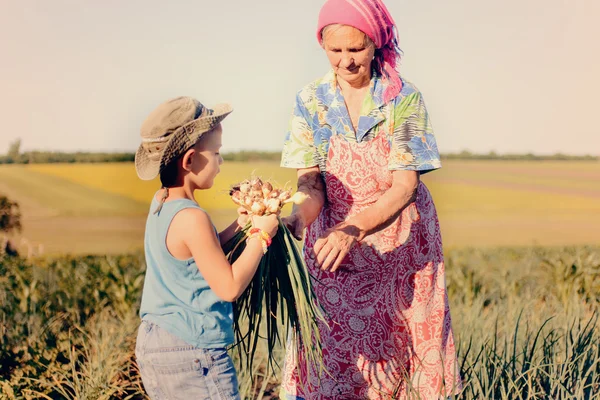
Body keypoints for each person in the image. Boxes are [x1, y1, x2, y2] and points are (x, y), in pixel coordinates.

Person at [280, 0, 461, 398]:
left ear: (375, 44)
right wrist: (298, 220)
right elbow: (311, 184)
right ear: (322, 45)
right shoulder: (310, 100)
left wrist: (354, 228)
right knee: (334, 357)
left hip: (400, 247)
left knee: (404, 351)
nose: (345, 61)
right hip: (333, 249)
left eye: (356, 49)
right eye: (335, 50)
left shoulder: (403, 98)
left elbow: (404, 187)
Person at [133, 96, 279, 399]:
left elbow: (198, 253)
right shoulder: (192, 217)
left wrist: (240, 226)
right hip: (192, 349)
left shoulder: (163, 202)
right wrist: (261, 237)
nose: (220, 162)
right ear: (189, 161)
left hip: (157, 339)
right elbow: (228, 287)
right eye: (215, 153)